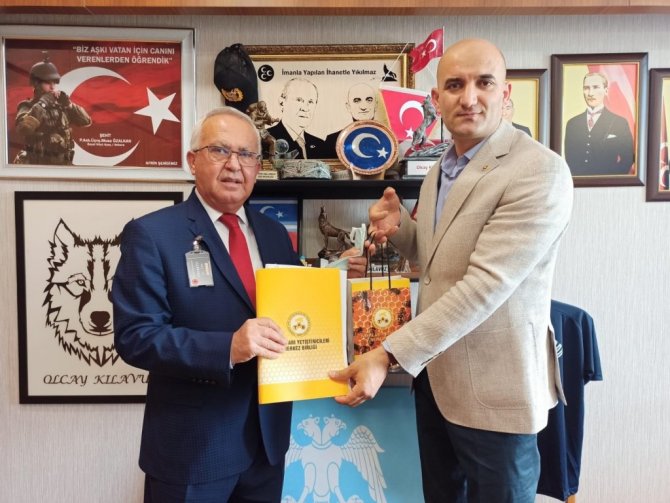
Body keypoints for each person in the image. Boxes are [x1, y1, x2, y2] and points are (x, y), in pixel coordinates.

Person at [329, 38, 574, 503]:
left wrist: (387, 354)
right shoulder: (441, 168)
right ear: (436, 98)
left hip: (497, 393)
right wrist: (401, 230)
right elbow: (438, 260)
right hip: (437, 381)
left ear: (506, 94)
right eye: (455, 85)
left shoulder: (538, 170)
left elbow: (484, 286)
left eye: (484, 83)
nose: (469, 97)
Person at [112, 106, 365, 503]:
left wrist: (339, 274)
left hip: (266, 445)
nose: (234, 165)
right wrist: (228, 347)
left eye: (247, 154)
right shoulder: (152, 234)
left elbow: (293, 310)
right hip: (192, 450)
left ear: (258, 167)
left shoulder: (274, 233)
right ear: (192, 160)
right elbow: (136, 338)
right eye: (219, 150)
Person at [14, 54, 92, 165]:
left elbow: (86, 121)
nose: (52, 87)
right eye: (47, 82)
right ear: (36, 83)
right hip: (38, 164)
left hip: (63, 163)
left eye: (54, 83)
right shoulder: (27, 106)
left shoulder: (60, 105)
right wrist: (42, 104)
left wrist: (69, 105)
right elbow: (23, 129)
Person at [564, 72, 635, 176]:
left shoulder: (620, 122)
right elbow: (570, 159)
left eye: (596, 87)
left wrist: (610, 178)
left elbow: (628, 159)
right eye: (586, 88)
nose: (590, 93)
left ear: (606, 90)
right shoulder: (572, 124)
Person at [266, 78, 329, 160]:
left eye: (310, 102)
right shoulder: (265, 141)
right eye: (299, 100)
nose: (305, 108)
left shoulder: (320, 145)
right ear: (282, 103)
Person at [325, 82, 378, 157]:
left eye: (369, 100)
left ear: (376, 105)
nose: (363, 107)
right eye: (357, 101)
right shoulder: (332, 140)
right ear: (348, 107)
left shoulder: (388, 138)